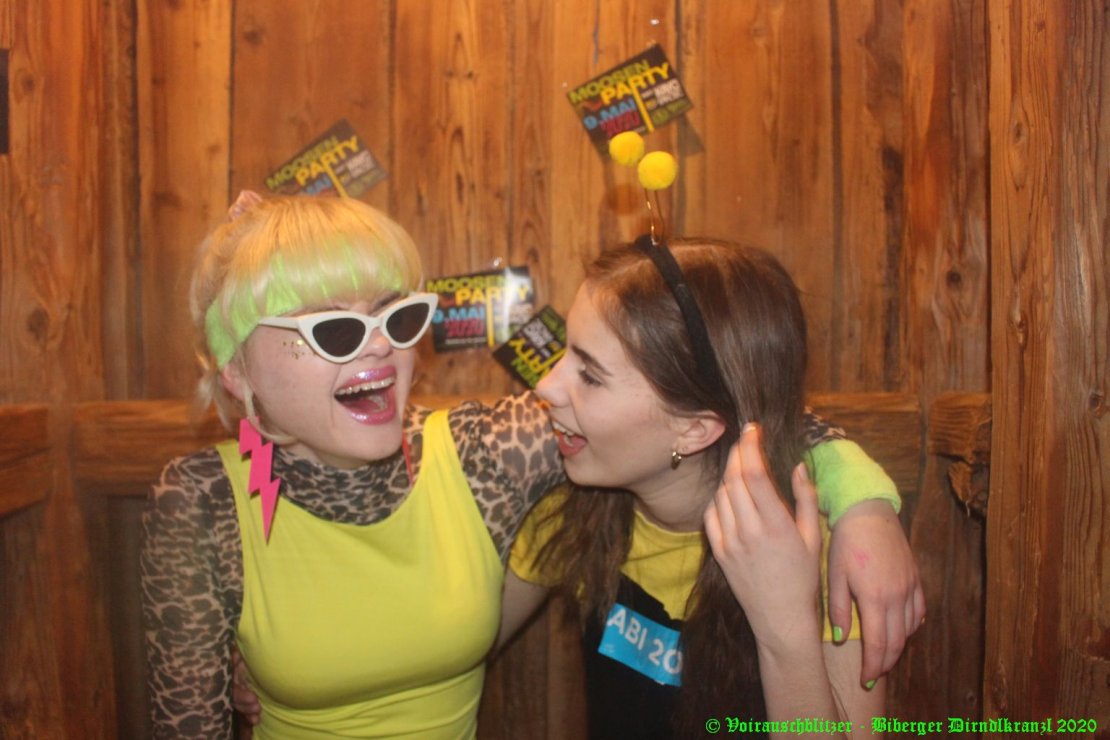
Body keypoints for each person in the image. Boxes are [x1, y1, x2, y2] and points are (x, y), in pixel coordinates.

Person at [142, 193, 920, 738]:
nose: (379, 345)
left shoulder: (488, 454)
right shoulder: (571, 497)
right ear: (235, 371)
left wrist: (860, 508)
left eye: (397, 316)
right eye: (333, 330)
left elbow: (750, 410)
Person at [497, 236, 923, 738]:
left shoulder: (819, 550)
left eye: (590, 376)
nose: (545, 386)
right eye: (566, 353)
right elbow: (463, 641)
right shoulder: (574, 508)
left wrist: (786, 624)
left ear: (694, 430)